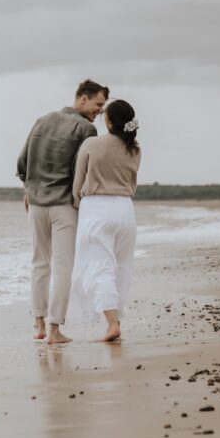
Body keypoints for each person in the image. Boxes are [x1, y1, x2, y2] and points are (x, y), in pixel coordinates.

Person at [16, 80, 109, 344]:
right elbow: (85, 171)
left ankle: (38, 324)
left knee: (39, 264)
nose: (99, 111)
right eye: (98, 104)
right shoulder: (86, 129)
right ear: (83, 99)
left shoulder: (42, 121)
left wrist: (29, 189)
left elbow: (22, 163)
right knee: (63, 267)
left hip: (35, 204)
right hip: (64, 206)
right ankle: (55, 330)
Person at [66, 99, 142, 342]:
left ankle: (111, 325)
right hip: (125, 210)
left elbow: (77, 186)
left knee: (100, 268)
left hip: (97, 208)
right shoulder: (135, 150)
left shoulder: (91, 144)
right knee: (120, 267)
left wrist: (78, 206)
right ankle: (115, 320)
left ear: (108, 122)